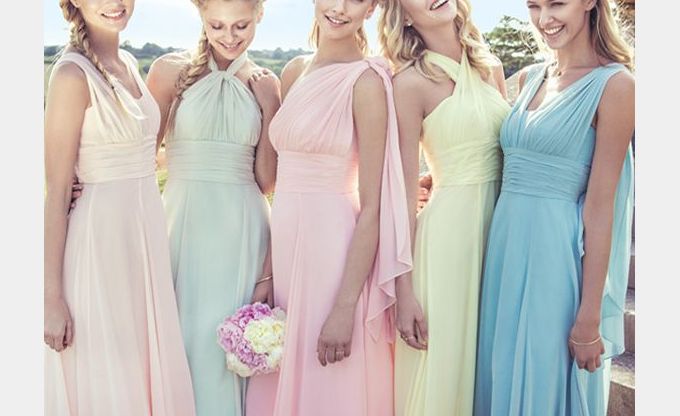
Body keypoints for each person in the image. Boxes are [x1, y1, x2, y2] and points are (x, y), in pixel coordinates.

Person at [246, 0, 412, 414]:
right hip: (287, 252)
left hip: (334, 255)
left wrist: (345, 307)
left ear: (371, 8)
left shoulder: (367, 82)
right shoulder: (294, 71)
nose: (339, 8)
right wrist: (268, 270)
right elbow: (279, 185)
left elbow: (372, 206)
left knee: (329, 381)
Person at [473, 0, 635, 414]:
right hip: (503, 254)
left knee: (541, 381)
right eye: (535, 6)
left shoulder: (616, 86)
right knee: (500, 373)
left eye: (557, 4)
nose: (545, 19)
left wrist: (589, 316)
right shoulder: (529, 78)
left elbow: (601, 207)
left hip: (555, 259)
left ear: (589, 3)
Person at [44, 1, 195, 414]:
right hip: (100, 246)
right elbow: (57, 191)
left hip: (144, 241)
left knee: (140, 367)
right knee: (110, 376)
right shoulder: (71, 75)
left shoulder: (127, 61)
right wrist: (51, 299)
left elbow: (141, 154)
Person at [144, 0, 280, 414]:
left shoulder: (265, 82)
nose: (229, 37)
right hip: (182, 225)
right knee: (182, 340)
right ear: (200, 16)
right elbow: (141, 157)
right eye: (217, 25)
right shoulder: (169, 72)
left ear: (259, 15)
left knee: (225, 353)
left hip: (242, 230)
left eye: (241, 25)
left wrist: (271, 106)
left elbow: (267, 181)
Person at [377, 1, 510, 414]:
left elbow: (511, 154)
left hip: (501, 232)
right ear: (404, 14)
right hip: (447, 243)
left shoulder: (491, 68)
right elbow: (400, 191)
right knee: (446, 366)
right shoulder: (409, 84)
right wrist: (403, 291)